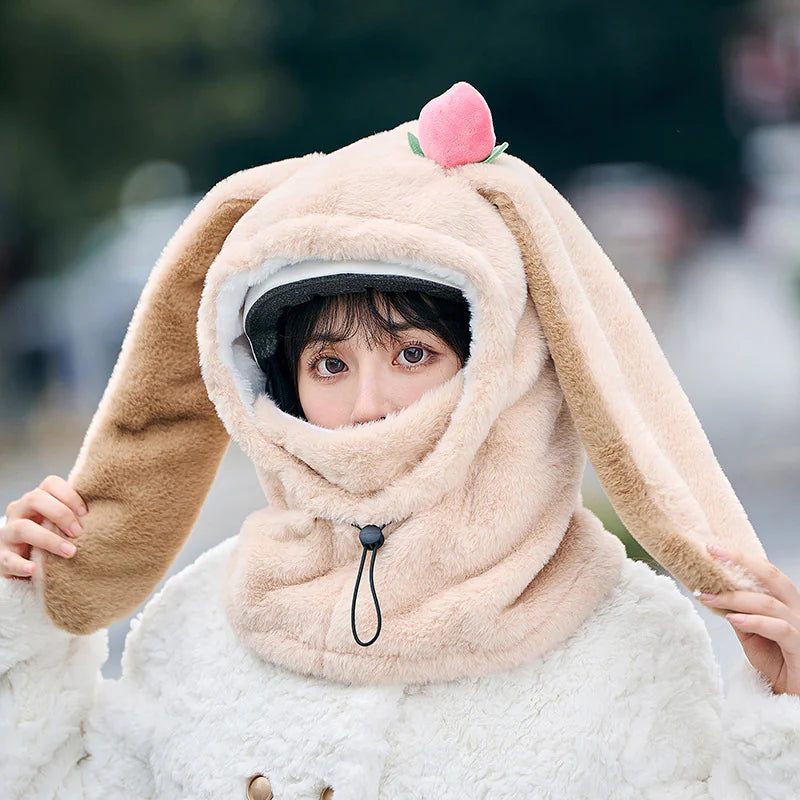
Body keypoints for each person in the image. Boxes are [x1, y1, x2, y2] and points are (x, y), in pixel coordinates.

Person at [2, 81, 800, 799]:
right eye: (328, 363)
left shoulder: (625, 637)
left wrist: (788, 721)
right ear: (272, 385)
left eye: (413, 353)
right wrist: (24, 623)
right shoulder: (202, 621)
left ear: (503, 364)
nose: (368, 405)